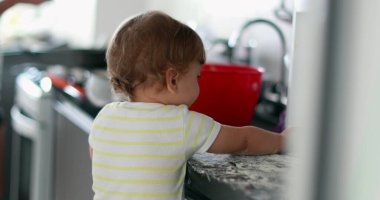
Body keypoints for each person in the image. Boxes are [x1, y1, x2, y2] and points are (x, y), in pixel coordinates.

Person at [89, 10, 290, 200]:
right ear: (173, 81)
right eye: (197, 75)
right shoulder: (180, 123)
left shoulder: (104, 116)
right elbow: (243, 141)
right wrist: (281, 140)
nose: (199, 81)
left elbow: (98, 157)